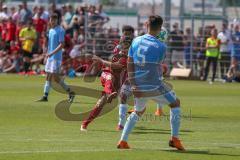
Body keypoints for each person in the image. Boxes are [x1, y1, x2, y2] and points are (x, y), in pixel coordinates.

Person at [117, 15, 185, 151]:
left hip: (137, 84)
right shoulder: (161, 46)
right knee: (175, 104)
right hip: (154, 85)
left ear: (146, 24)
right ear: (160, 28)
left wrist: (133, 84)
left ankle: (123, 141)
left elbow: (130, 63)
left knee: (139, 111)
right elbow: (157, 66)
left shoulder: (135, 41)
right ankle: (175, 139)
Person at [37, 14, 75, 102]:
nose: (52, 21)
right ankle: (45, 96)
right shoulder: (50, 30)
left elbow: (62, 44)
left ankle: (70, 92)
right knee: (48, 76)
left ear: (57, 20)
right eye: (51, 20)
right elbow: (49, 43)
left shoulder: (60, 30)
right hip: (50, 57)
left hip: (56, 57)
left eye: (54, 20)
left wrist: (51, 53)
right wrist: (46, 52)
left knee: (56, 78)